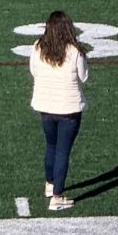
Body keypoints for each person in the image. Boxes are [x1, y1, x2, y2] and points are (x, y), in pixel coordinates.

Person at [29, 11, 89, 212]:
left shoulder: (39, 47)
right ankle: (57, 196)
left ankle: (49, 183)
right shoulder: (75, 51)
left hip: (46, 106)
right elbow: (84, 76)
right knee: (63, 150)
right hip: (69, 108)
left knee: (51, 145)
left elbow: (34, 71)